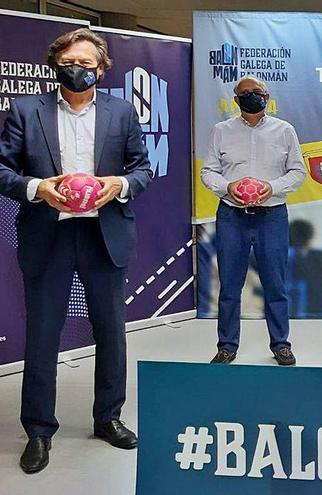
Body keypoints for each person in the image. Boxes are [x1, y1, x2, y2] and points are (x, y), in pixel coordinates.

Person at [0, 28, 153, 473]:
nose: (78, 70)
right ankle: (39, 431)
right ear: (55, 64)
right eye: (70, 62)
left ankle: (108, 417)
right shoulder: (26, 110)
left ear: (101, 69)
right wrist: (36, 188)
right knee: (43, 337)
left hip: (104, 235)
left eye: (87, 64)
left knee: (111, 333)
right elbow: (3, 170)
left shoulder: (122, 112)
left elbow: (141, 169)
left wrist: (118, 185)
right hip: (49, 235)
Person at [200, 75, 306, 366]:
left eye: (256, 92)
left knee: (276, 283)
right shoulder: (221, 131)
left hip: (271, 216)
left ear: (266, 95)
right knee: (230, 285)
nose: (250, 96)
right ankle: (227, 345)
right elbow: (208, 171)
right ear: (235, 101)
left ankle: (281, 344)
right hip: (231, 216)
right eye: (243, 93)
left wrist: (272, 187)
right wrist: (227, 187)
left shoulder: (285, 131)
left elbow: (298, 172)